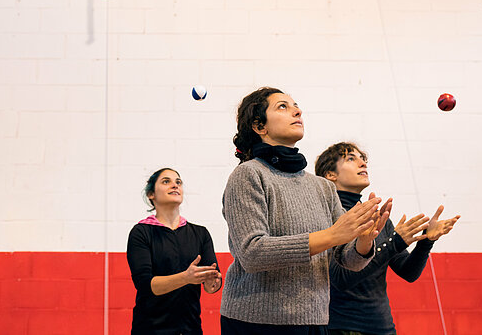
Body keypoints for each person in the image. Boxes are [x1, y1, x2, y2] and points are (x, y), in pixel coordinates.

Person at [220, 87, 391, 335]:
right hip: (256, 322)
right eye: (283, 106)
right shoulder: (248, 175)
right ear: (260, 126)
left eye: (296, 106)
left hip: (315, 320)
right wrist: (333, 235)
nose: (297, 111)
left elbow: (348, 260)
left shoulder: (321, 186)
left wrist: (363, 242)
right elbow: (252, 253)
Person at [314, 142, 460, 335]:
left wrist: (426, 242)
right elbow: (341, 279)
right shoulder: (325, 216)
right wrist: (394, 244)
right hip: (341, 328)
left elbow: (408, 272)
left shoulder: (377, 218)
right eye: (351, 158)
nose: (362, 163)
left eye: (363, 159)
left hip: (382, 327)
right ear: (330, 175)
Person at [127, 168, 222, 335]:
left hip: (190, 329)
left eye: (178, 182)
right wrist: (186, 277)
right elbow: (145, 286)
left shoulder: (200, 233)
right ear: (151, 195)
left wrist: (212, 282)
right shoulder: (141, 232)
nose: (175, 185)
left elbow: (212, 285)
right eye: (166, 181)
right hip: (151, 329)